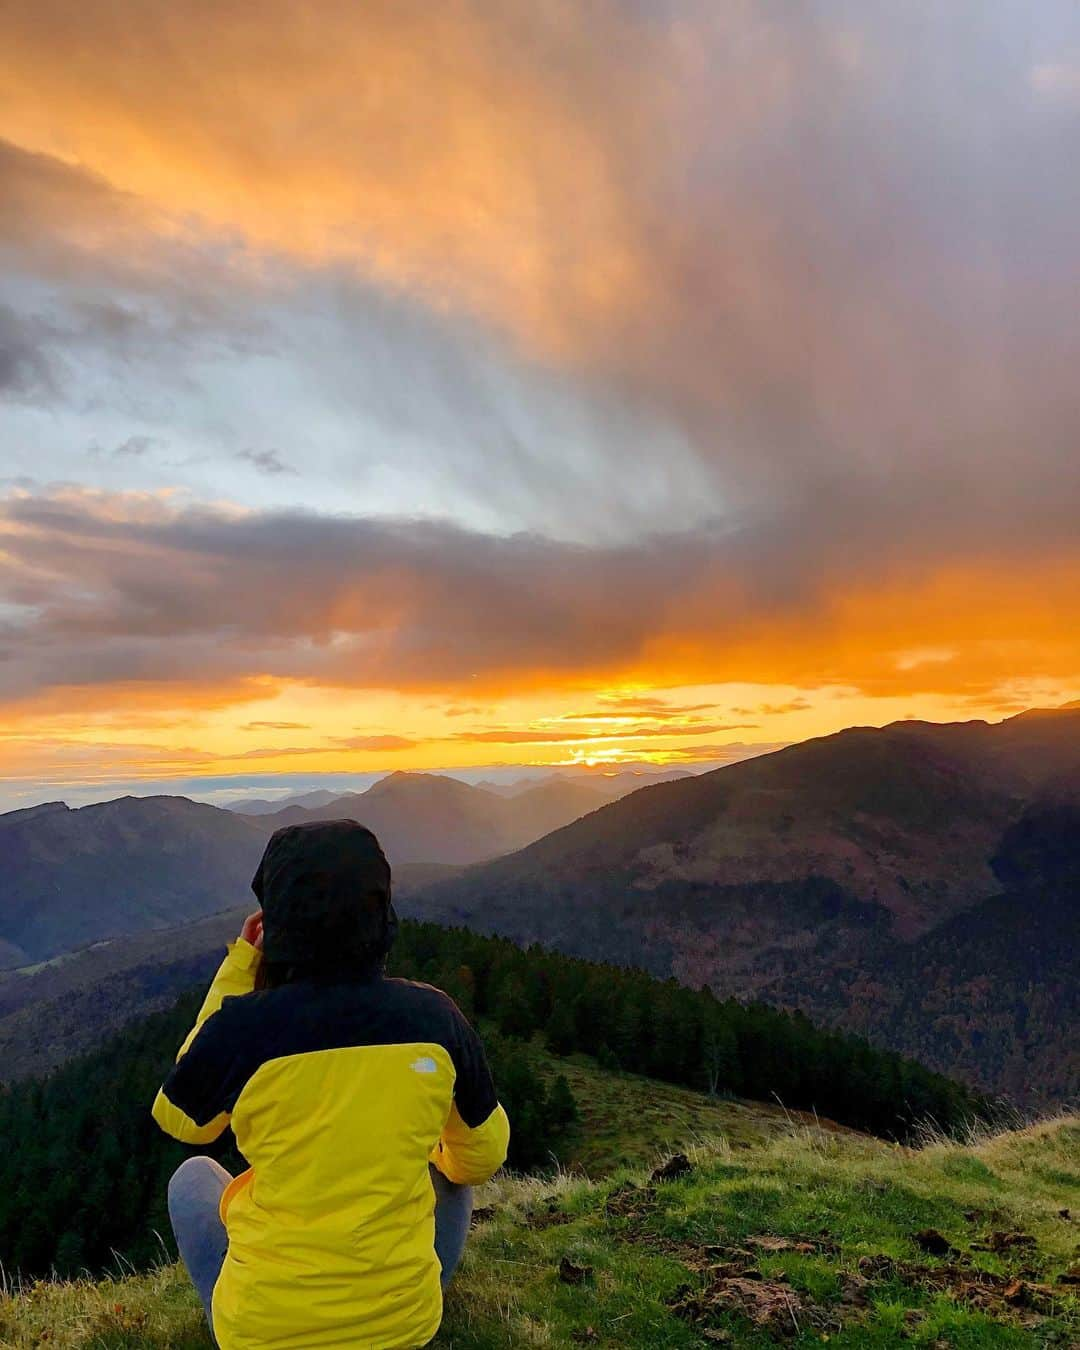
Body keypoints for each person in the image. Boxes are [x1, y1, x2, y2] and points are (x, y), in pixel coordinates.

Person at [151, 819, 510, 1350]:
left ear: (276, 924)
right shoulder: (435, 1019)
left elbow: (181, 1117)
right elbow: (481, 1159)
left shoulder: (244, 1029)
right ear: (380, 914)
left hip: (264, 1333)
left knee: (191, 1179)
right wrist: (419, 1153)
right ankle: (400, 1296)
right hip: (404, 1328)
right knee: (452, 1174)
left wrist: (239, 966)